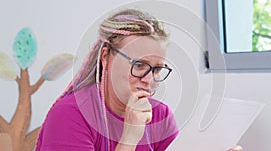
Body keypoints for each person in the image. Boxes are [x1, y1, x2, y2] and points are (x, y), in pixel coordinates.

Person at [36, 8, 243, 151]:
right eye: (139, 65)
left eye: (157, 69)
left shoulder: (160, 114)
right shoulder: (71, 114)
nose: (149, 79)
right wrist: (130, 137)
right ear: (106, 56)